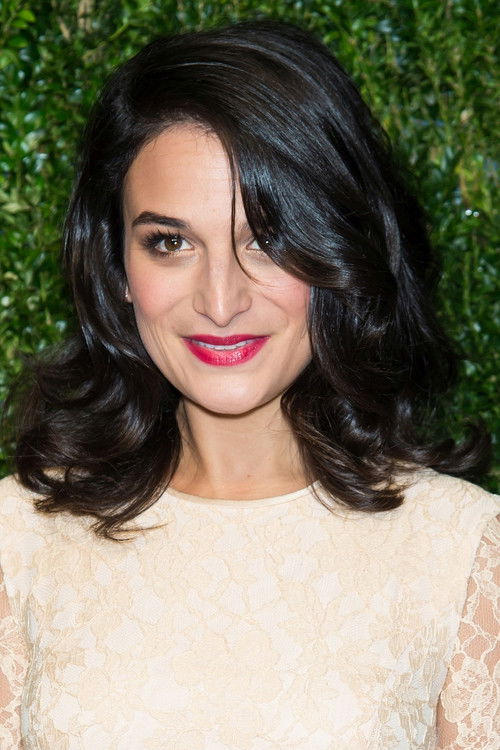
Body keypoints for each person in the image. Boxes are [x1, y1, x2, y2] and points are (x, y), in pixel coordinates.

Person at [0, 19, 498, 749]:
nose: (221, 300)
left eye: (265, 241)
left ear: (341, 251)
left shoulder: (463, 553)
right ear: (116, 266)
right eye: (171, 243)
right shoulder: (17, 542)